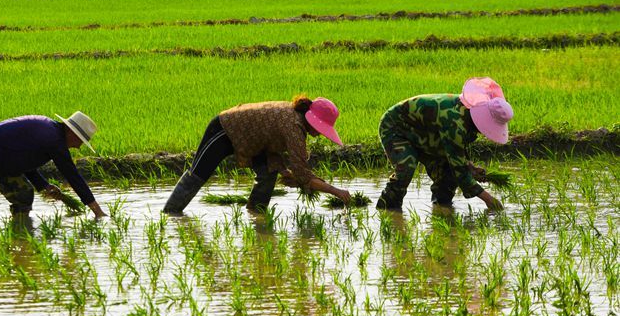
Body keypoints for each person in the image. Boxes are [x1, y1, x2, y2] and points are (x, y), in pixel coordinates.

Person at [162, 95, 352, 215]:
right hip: (225, 130)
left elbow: (270, 141)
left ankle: (256, 215)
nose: (320, 133)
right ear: (312, 120)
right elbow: (303, 174)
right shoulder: (294, 126)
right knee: (198, 174)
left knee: (268, 173)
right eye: (321, 129)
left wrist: (284, 170)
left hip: (253, 140)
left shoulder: (297, 122)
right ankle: (170, 214)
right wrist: (337, 192)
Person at [0, 112, 107, 225]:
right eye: (80, 141)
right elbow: (72, 175)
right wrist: (97, 212)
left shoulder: (50, 134)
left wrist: (44, 186)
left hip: (4, 159)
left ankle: (19, 231)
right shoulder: (53, 140)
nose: (78, 147)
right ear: (72, 133)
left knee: (23, 195)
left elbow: (23, 161)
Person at [375, 77, 511, 212]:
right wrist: (489, 199)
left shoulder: (468, 115)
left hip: (425, 132)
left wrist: (471, 167)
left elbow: (456, 153)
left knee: (448, 176)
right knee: (406, 168)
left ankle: (441, 209)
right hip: (396, 127)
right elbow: (461, 172)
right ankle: (387, 210)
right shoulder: (455, 122)